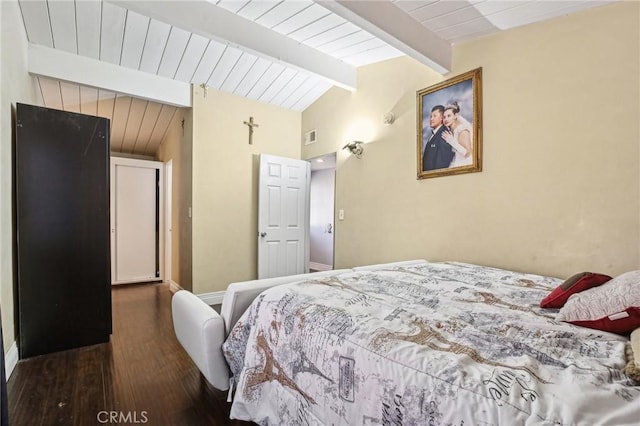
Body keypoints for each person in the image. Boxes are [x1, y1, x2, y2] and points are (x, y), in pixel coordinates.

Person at [422, 105, 454, 171]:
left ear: (442, 118)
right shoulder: (435, 133)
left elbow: (442, 162)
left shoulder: (444, 134)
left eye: (434, 116)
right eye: (430, 116)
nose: (431, 119)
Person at [441, 102, 473, 168]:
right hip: (455, 162)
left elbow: (468, 153)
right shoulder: (450, 130)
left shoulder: (462, 130)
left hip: (465, 164)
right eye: (444, 117)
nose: (446, 119)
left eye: (449, 116)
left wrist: (451, 141)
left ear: (455, 116)